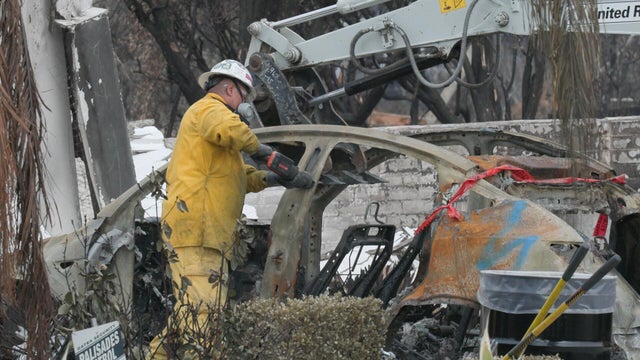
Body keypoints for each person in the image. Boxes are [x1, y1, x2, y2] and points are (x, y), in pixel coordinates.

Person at [147, 59, 312, 359]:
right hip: (197, 233)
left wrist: (275, 177)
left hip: (205, 236)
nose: (245, 104)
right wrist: (267, 154)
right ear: (228, 88)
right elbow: (231, 130)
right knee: (204, 323)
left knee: (189, 317)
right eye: (244, 96)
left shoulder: (216, 134)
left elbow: (240, 176)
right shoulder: (209, 110)